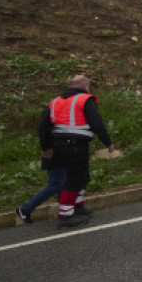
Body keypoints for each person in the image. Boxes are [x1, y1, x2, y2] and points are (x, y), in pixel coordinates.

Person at [37, 75, 115, 228]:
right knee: (75, 178)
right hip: (76, 145)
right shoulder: (85, 99)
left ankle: (78, 206)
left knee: (81, 176)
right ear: (85, 85)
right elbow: (96, 122)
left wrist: (46, 147)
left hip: (58, 145)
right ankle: (65, 215)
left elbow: (43, 126)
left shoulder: (56, 101)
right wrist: (108, 142)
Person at [15, 153, 67, 224]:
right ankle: (25, 209)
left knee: (62, 183)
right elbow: (46, 143)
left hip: (58, 157)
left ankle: (64, 210)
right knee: (54, 185)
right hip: (56, 158)